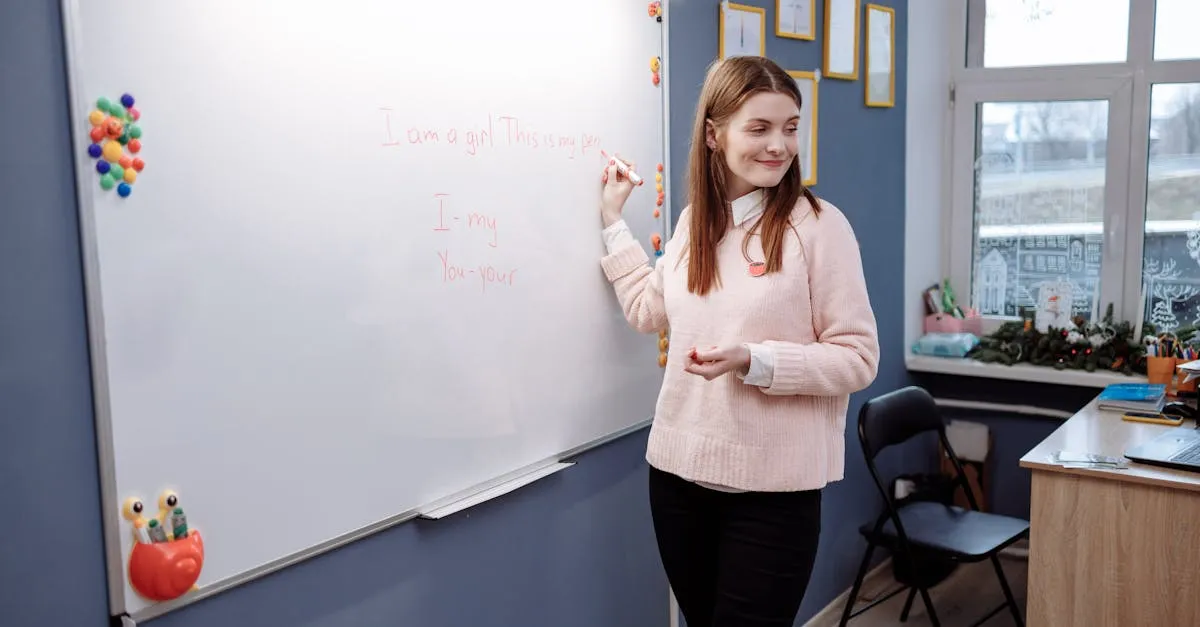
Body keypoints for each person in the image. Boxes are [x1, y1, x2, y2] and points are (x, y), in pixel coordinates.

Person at [596, 56, 880, 627]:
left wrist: (757, 359)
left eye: (791, 126)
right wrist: (611, 219)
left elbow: (857, 359)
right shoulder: (692, 224)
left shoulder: (820, 226)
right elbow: (647, 310)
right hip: (677, 476)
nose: (779, 145)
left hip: (774, 492)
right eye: (760, 128)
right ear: (713, 133)